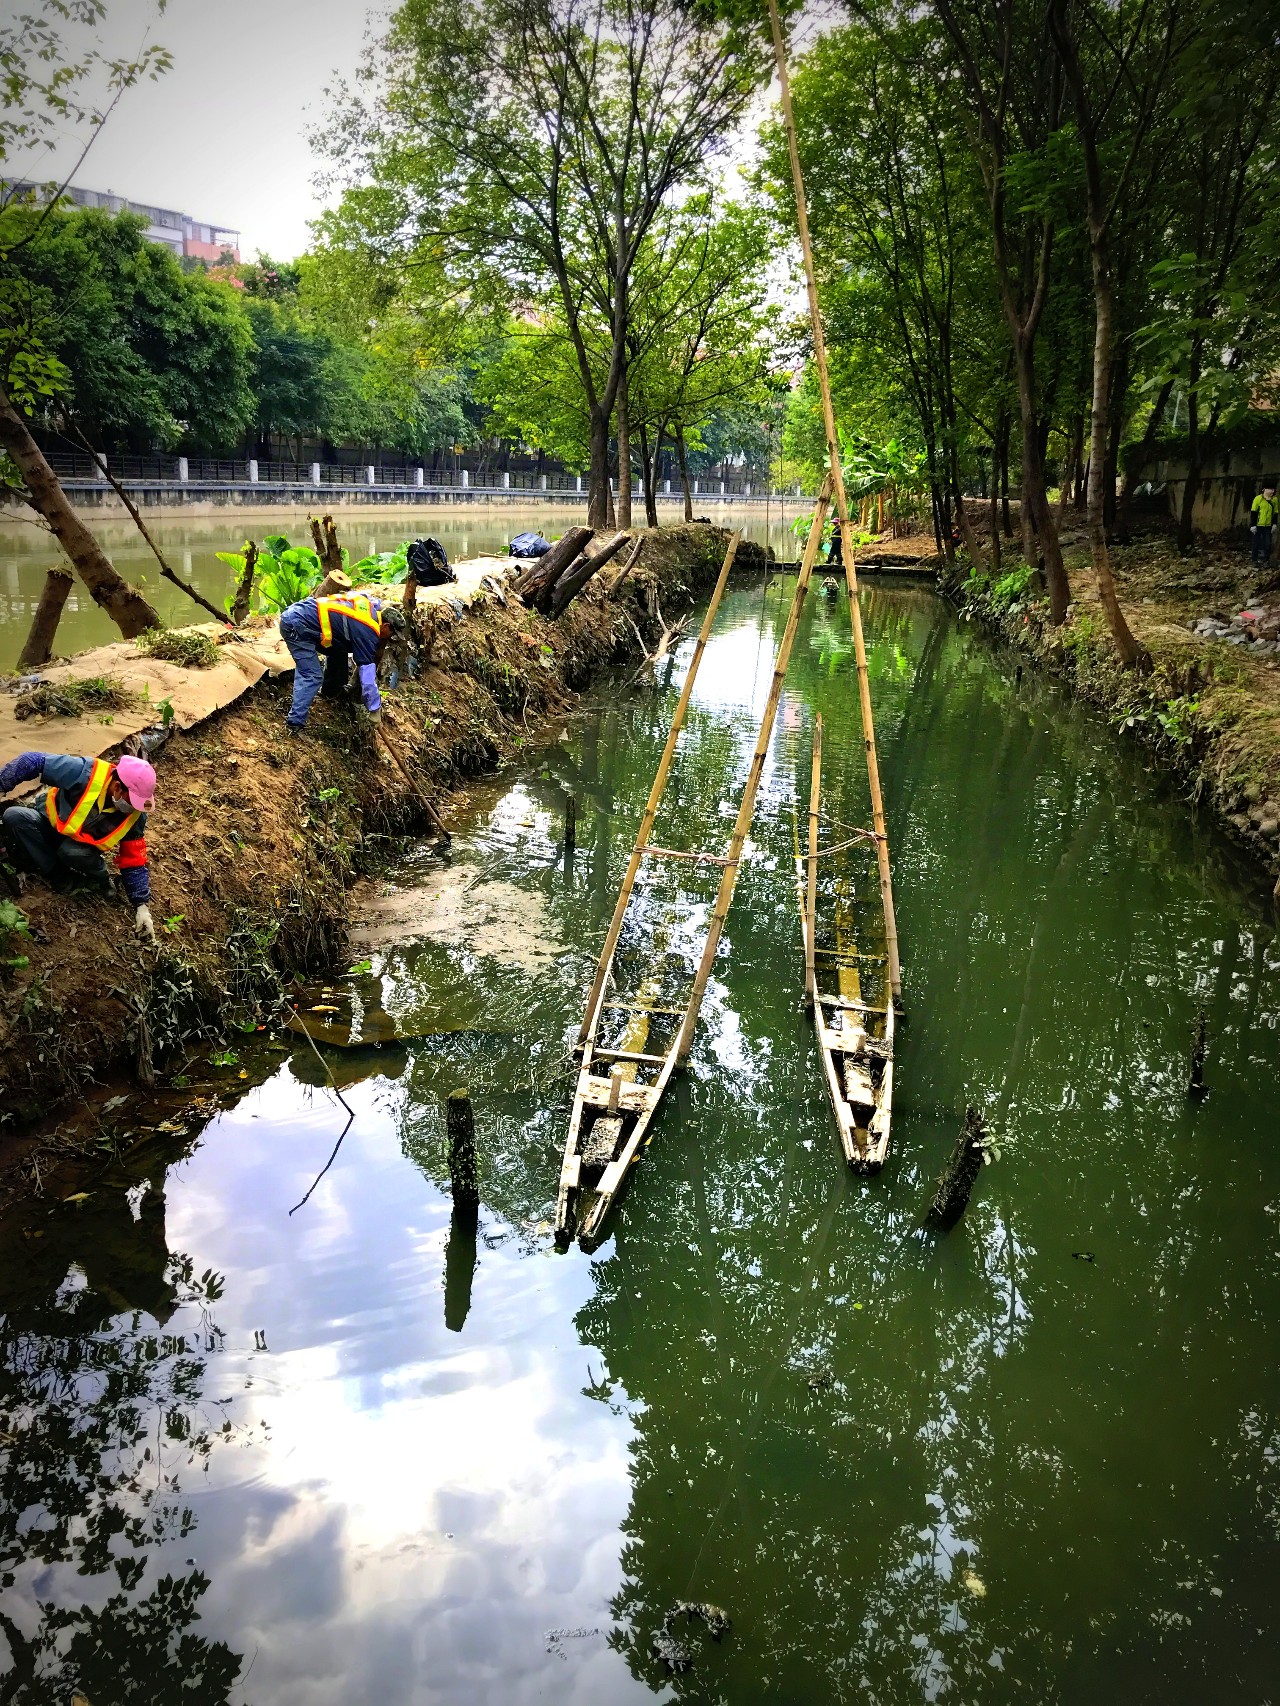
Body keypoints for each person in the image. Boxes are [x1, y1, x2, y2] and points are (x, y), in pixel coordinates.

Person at [0, 751, 156, 940]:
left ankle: (99, 878)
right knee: (14, 817)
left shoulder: (137, 813)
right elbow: (32, 760)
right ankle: (56, 872)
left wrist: (142, 906)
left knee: (71, 852)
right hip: (48, 825)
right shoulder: (85, 772)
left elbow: (134, 860)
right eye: (132, 802)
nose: (135, 808)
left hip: (79, 849)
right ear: (117, 787)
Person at [277, 592, 407, 733]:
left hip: (302, 615)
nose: (391, 637)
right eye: (392, 634)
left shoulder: (369, 607)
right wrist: (375, 708)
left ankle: (332, 691)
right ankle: (294, 724)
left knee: (340, 649)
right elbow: (367, 674)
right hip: (297, 625)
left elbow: (365, 596)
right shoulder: (367, 631)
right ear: (386, 626)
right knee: (311, 675)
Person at [1250, 484, 1277, 567]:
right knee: (1256, 543)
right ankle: (1254, 560)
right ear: (1264, 489)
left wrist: (1274, 524)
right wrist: (1253, 525)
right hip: (1258, 525)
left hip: (1268, 526)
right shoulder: (1258, 499)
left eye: (1273, 489)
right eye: (1270, 489)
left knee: (1268, 543)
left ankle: (1266, 561)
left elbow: (1275, 512)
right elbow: (1253, 512)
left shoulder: (1275, 500)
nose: (1272, 491)